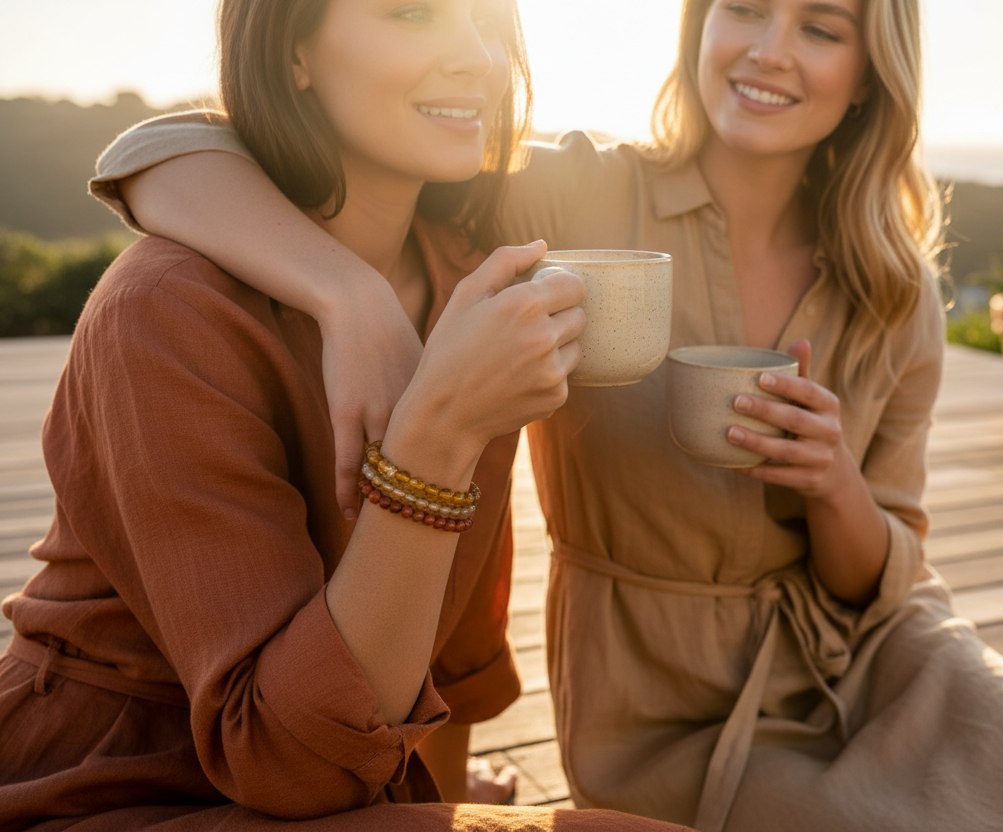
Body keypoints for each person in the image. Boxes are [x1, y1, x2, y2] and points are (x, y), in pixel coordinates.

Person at [86, 0, 1003, 828]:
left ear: (869, 69)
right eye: (744, 9)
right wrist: (348, 300)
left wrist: (834, 484)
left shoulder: (892, 290)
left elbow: (889, 573)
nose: (771, 49)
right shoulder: (581, 190)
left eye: (823, 27)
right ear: (697, 27)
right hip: (656, 690)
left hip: (860, 650)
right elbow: (172, 148)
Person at [0, 1, 694, 830]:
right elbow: (287, 763)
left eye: (487, 24)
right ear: (294, 53)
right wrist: (434, 438)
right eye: (411, 13)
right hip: (114, 784)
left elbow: (452, 638)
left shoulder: (469, 277)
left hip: (349, 773)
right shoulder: (167, 310)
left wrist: (449, 793)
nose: (478, 58)